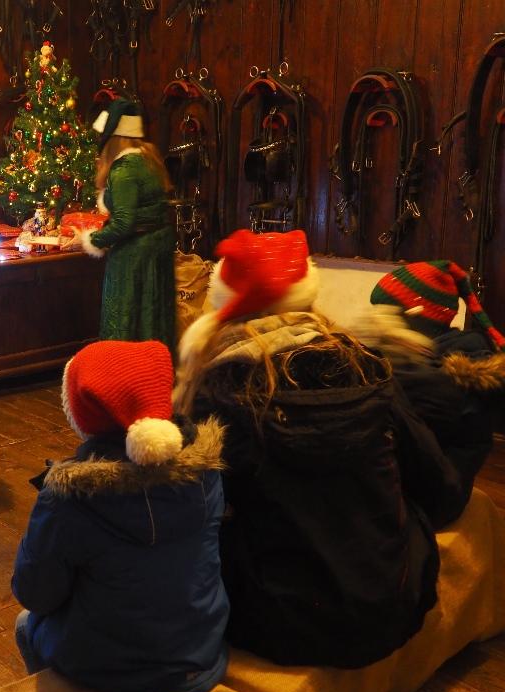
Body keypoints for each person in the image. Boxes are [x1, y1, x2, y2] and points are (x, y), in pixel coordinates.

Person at [173, 229, 460, 669]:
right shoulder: (366, 366)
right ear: (307, 297)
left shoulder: (213, 390)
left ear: (220, 305)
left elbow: (191, 524)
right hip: (392, 607)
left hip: (274, 622)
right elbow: (440, 488)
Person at [11, 340, 229, 692]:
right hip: (201, 654)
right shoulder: (206, 473)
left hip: (107, 671)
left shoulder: (70, 498)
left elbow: (35, 593)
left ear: (84, 417)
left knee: (26, 625)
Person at [353, 260, 505, 528]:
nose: (379, 318)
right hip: (417, 481)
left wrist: (386, 352)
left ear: (414, 316)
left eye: (388, 312)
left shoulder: (454, 370)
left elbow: (398, 408)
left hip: (436, 500)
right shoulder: (426, 357)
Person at [69, 99, 176, 349]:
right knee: (152, 317)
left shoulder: (124, 169)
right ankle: (156, 372)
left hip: (134, 258)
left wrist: (89, 240)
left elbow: (124, 223)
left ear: (113, 138)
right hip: (156, 251)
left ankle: (125, 376)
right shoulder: (149, 160)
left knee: (127, 320)